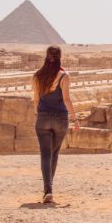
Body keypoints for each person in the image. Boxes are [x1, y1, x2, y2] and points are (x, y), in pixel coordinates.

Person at [32, 45, 79, 204]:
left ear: (46, 57)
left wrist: (38, 116)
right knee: (54, 153)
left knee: (45, 154)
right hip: (60, 119)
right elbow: (66, 99)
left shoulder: (37, 76)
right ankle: (49, 187)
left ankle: (48, 190)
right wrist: (75, 118)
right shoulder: (64, 76)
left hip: (43, 118)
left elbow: (36, 100)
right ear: (59, 57)